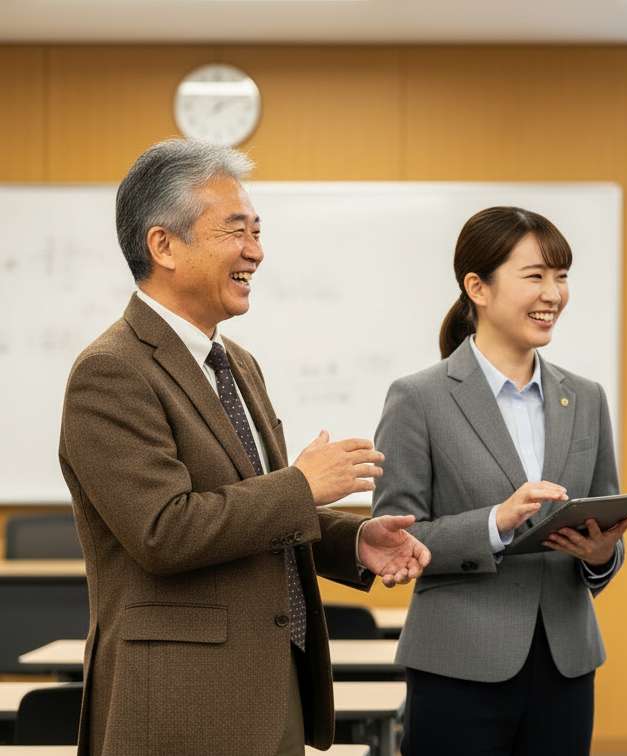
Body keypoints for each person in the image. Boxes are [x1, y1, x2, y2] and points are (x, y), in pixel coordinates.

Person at [57, 138, 431, 756]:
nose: (255, 251)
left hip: (271, 683)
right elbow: (163, 531)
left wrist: (351, 540)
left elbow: (256, 516)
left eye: (257, 231)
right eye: (236, 231)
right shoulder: (111, 371)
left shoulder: (238, 365)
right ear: (164, 245)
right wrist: (302, 485)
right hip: (179, 704)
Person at [371, 205, 627, 756]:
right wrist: (495, 522)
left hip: (566, 662)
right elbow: (394, 538)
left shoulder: (586, 397)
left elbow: (605, 524)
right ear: (477, 288)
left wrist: (602, 553)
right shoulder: (419, 398)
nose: (554, 294)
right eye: (535, 276)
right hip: (457, 662)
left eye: (561, 277)